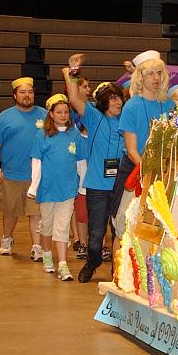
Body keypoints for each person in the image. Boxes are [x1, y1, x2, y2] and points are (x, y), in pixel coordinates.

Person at [62, 56, 126, 283]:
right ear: (103, 102)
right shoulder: (94, 116)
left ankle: (118, 271)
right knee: (96, 234)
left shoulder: (127, 120)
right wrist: (73, 70)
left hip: (123, 186)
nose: (117, 102)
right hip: (98, 186)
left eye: (119, 98)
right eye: (112, 99)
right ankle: (93, 261)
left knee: (120, 232)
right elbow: (73, 96)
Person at [27, 94, 88, 281]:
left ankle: (63, 265)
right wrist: (34, 186)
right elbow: (36, 162)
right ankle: (47, 255)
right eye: (59, 112)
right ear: (51, 114)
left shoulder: (75, 134)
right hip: (47, 189)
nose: (63, 115)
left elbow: (81, 161)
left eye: (66, 112)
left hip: (68, 189)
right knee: (47, 227)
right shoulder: (42, 135)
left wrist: (82, 185)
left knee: (62, 228)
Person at [111, 51, 174, 226]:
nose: (156, 78)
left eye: (159, 73)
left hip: (162, 172)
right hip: (135, 169)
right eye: (151, 73)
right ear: (140, 77)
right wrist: (147, 173)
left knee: (155, 225)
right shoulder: (132, 106)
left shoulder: (169, 105)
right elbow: (131, 150)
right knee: (124, 225)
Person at [0, 77, 47, 260]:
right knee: (10, 211)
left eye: (30, 92)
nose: (27, 96)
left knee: (35, 212)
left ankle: (37, 247)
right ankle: (7, 238)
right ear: (15, 95)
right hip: (11, 174)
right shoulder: (4, 117)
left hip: (37, 175)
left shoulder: (45, 115)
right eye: (22, 92)